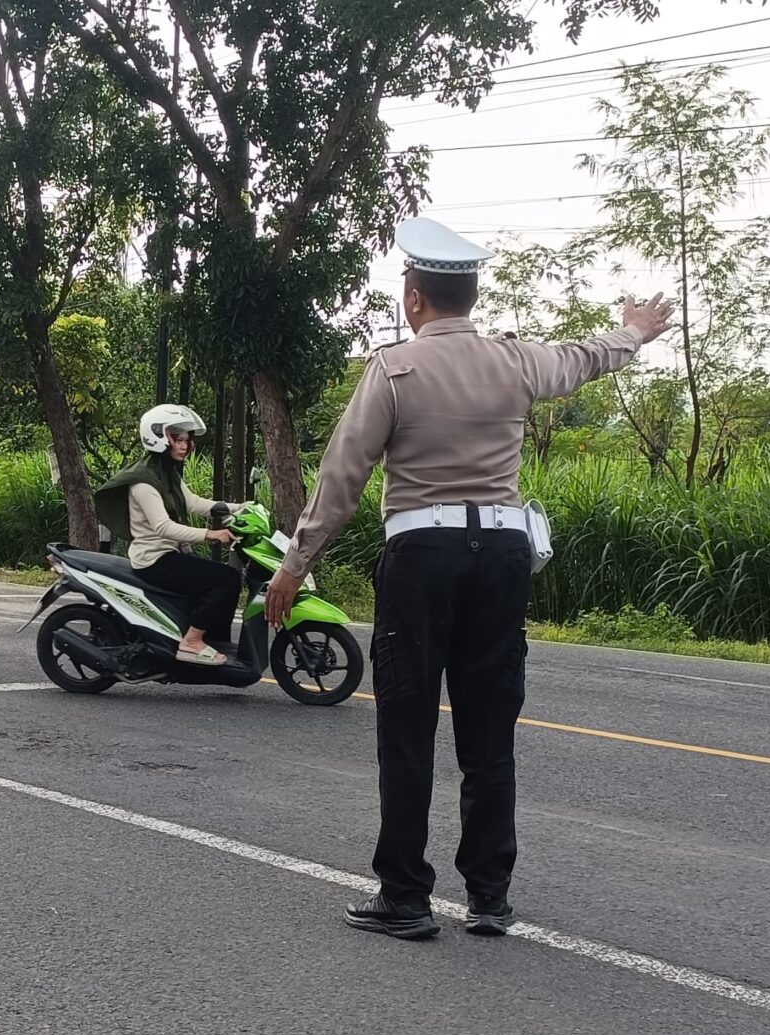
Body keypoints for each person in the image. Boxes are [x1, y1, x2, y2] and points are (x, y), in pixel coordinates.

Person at [264, 218, 674, 941]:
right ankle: (489, 896)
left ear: (415, 298)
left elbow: (343, 477)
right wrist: (634, 332)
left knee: (408, 728)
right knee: (489, 729)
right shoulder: (516, 362)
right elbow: (584, 358)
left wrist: (295, 564)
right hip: (503, 558)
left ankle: (405, 896)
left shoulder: (394, 369)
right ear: (472, 296)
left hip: (422, 559)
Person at [94, 404, 240, 665]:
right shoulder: (144, 481)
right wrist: (210, 534)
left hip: (168, 554)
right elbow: (163, 527)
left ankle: (212, 640)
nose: (184, 446)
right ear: (158, 437)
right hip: (153, 560)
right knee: (225, 579)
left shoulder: (164, 472)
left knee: (226, 578)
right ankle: (191, 642)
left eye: (186, 440)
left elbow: (193, 503)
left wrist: (239, 508)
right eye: (178, 439)